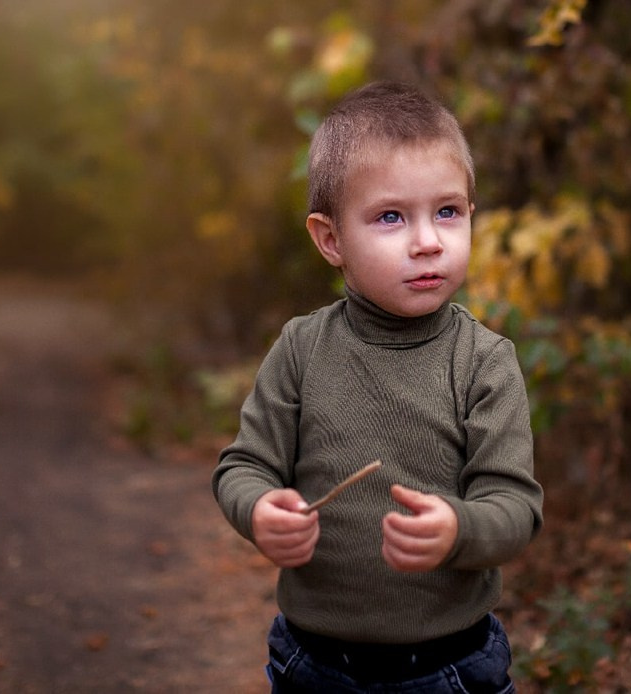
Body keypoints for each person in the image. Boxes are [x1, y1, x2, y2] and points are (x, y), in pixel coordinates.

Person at [211, 80, 543, 693]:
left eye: (447, 211)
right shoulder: (302, 351)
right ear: (331, 239)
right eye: (391, 217)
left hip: (449, 666)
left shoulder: (483, 362)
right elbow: (242, 466)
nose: (427, 241)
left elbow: (516, 508)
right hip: (316, 664)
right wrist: (257, 509)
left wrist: (459, 529)